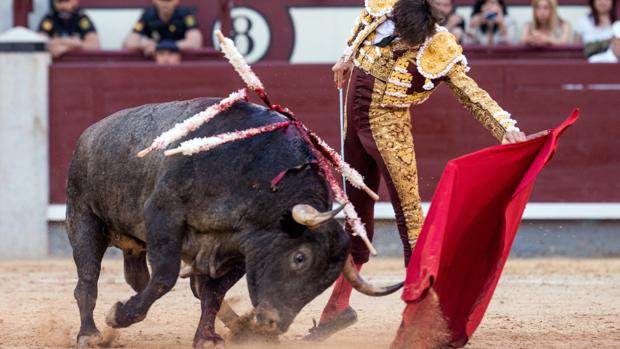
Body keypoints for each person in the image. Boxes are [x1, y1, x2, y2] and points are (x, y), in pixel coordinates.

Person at [305, 0, 532, 340]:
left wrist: (505, 127)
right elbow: (363, 32)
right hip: (356, 123)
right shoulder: (385, 7)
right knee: (355, 212)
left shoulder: (439, 44)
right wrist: (347, 56)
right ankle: (337, 306)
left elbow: (471, 94)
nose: (448, 2)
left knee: (410, 219)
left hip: (389, 129)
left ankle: (421, 317)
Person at [123, 0, 203, 59]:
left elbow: (195, 42)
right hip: (154, 60)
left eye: (169, 0)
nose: (165, 4)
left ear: (176, 1)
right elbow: (128, 42)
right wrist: (145, 45)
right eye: (162, 0)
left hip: (179, 60)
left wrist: (164, 47)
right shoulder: (148, 15)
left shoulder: (185, 15)